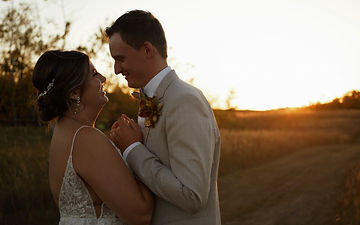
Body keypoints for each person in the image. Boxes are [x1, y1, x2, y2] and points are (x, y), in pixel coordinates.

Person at [106, 10, 221, 225]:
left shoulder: (185, 100)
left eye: (120, 59)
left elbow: (192, 195)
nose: (116, 69)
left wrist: (132, 149)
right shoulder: (149, 99)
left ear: (147, 49)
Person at [32, 50, 154, 225]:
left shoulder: (63, 131)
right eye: (94, 74)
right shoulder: (85, 138)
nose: (103, 78)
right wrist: (133, 147)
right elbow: (142, 214)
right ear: (74, 92)